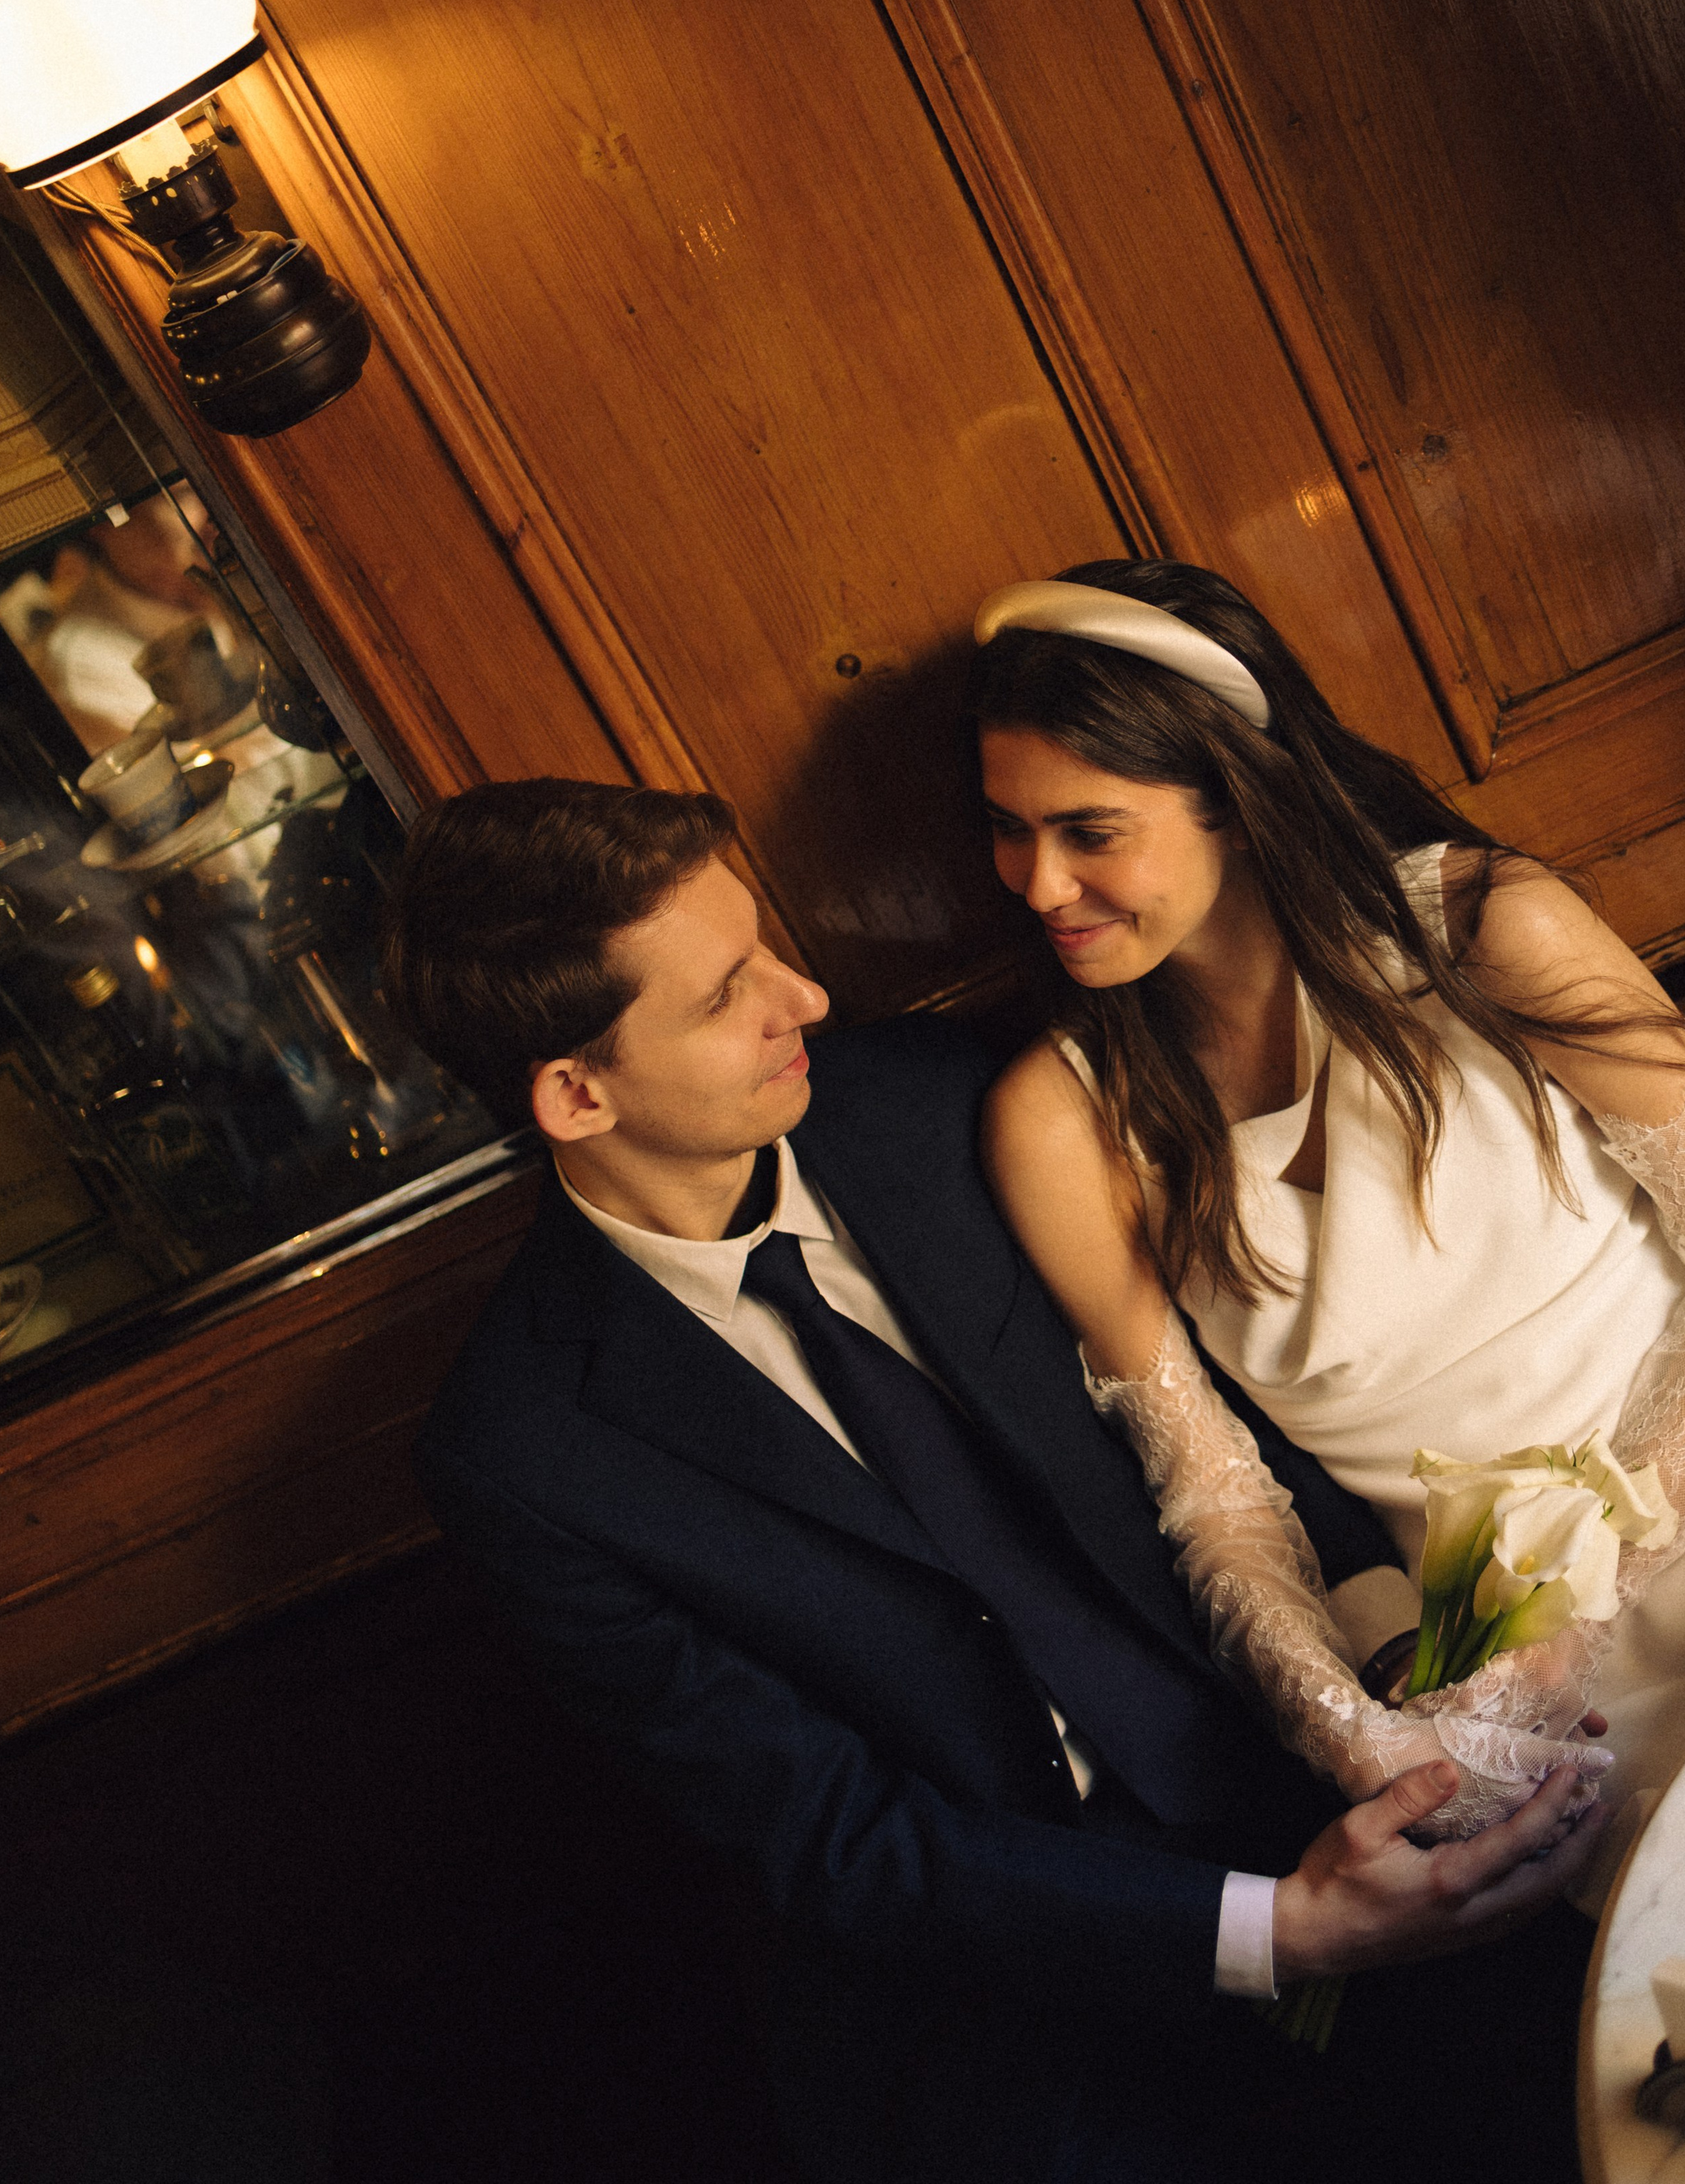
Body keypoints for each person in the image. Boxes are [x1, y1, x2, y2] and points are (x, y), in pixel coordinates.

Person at [388, 778, 1605, 2184]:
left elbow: (1225, 1403)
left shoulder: (938, 1099)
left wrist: (1398, 1673)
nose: (804, 997)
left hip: (1297, 1760)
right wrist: (1279, 1932)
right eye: (727, 994)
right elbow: (831, 1837)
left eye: (766, 945)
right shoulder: (523, 1453)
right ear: (574, 1093)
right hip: (1020, 1982)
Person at [973, 559, 1685, 1883]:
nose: (1036, 885)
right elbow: (1214, 1496)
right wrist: (1350, 1729)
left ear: (1234, 796)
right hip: (1496, 1679)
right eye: (1009, 831)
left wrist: (1579, 1620)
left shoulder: (1486, 932)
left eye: (1089, 831)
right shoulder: (1064, 1123)